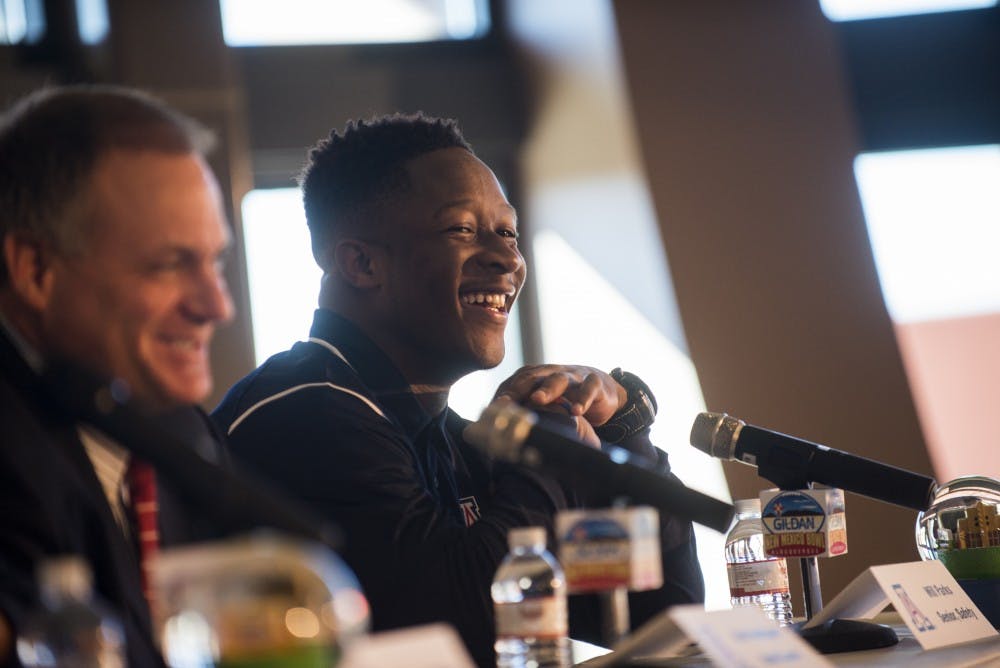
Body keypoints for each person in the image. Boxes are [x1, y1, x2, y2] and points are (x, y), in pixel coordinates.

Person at [212, 114, 704, 667]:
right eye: (461, 229)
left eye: (508, 232)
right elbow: (457, 623)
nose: (508, 260)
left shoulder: (452, 436)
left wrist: (621, 434)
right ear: (361, 262)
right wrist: (551, 445)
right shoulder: (303, 411)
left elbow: (663, 617)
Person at [0, 86, 234, 666]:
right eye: (171, 264)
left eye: (216, 262)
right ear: (37, 271)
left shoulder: (181, 432)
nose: (216, 305)